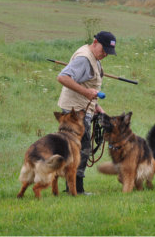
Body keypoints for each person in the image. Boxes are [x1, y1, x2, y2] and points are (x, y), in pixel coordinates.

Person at [57, 31, 117, 194]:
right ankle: (77, 189)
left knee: (74, 148)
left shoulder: (94, 59)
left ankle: (70, 187)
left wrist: (98, 109)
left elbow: (89, 87)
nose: (105, 54)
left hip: (84, 108)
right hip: (75, 112)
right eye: (103, 50)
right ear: (95, 42)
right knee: (82, 148)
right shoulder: (84, 58)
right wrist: (86, 93)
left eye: (108, 52)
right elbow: (63, 77)